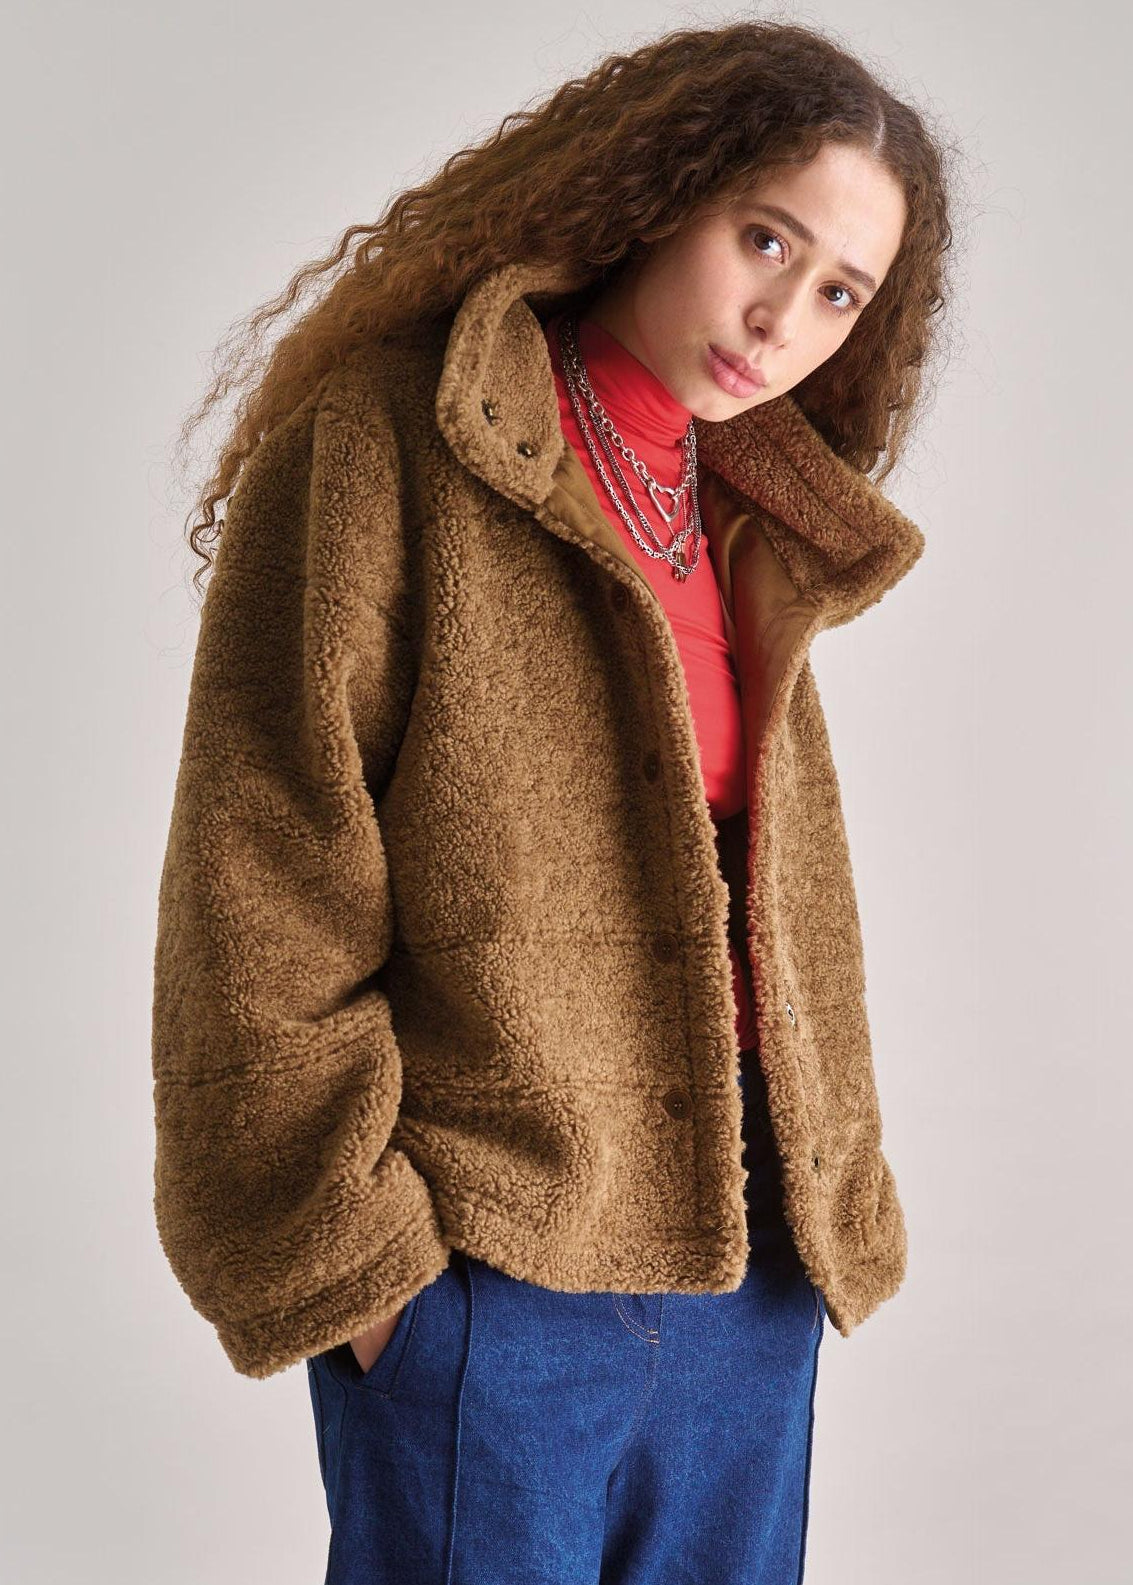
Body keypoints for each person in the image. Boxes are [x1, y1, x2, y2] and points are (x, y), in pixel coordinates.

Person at [152, 18, 955, 1582]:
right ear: (658, 196)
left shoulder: (745, 513)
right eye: (764, 237)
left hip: (751, 1267)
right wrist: (374, 1277)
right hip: (488, 1270)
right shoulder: (388, 444)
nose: (781, 315)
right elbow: (258, 878)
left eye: (837, 290)